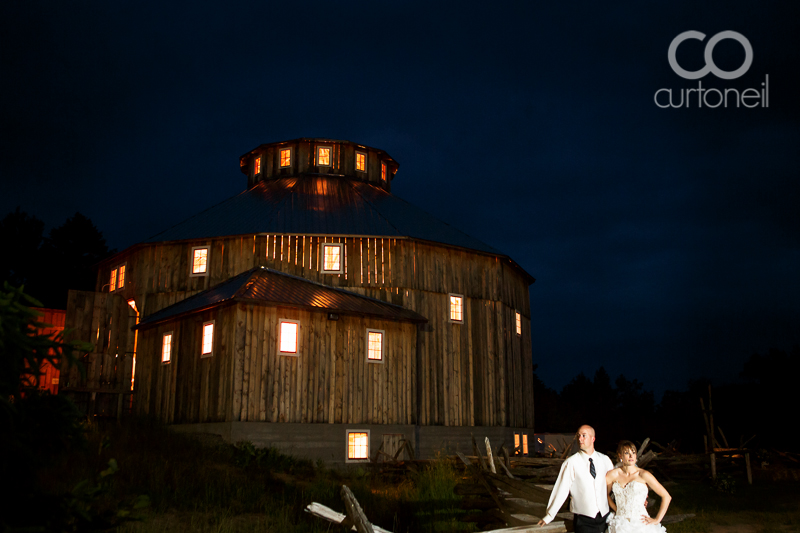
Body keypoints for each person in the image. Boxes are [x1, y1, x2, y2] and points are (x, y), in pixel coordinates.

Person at [537, 425, 614, 533]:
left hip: (604, 518)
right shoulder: (571, 463)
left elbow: (617, 483)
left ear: (593, 439)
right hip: (583, 519)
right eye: (578, 436)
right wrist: (549, 515)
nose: (579, 439)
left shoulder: (605, 460)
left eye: (583, 436)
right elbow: (561, 490)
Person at [605, 440, 672, 533]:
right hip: (620, 524)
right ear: (620, 456)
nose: (631, 456)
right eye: (627, 453)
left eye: (633, 453)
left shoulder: (643, 474)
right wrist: (617, 509)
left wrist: (657, 519)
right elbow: (606, 495)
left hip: (640, 524)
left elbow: (666, 496)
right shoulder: (612, 475)